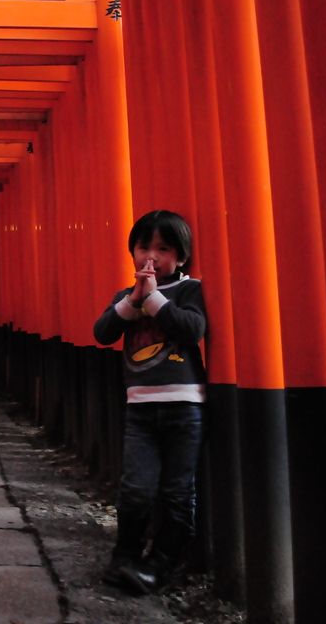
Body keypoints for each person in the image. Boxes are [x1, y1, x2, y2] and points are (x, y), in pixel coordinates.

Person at [93, 210, 207, 595]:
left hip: (184, 406)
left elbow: (192, 329)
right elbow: (103, 332)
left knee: (177, 491)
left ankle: (159, 565)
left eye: (163, 249)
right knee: (136, 487)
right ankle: (125, 555)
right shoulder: (127, 297)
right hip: (140, 407)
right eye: (143, 247)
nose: (151, 258)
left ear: (181, 257)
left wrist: (154, 298)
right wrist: (133, 300)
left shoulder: (189, 290)